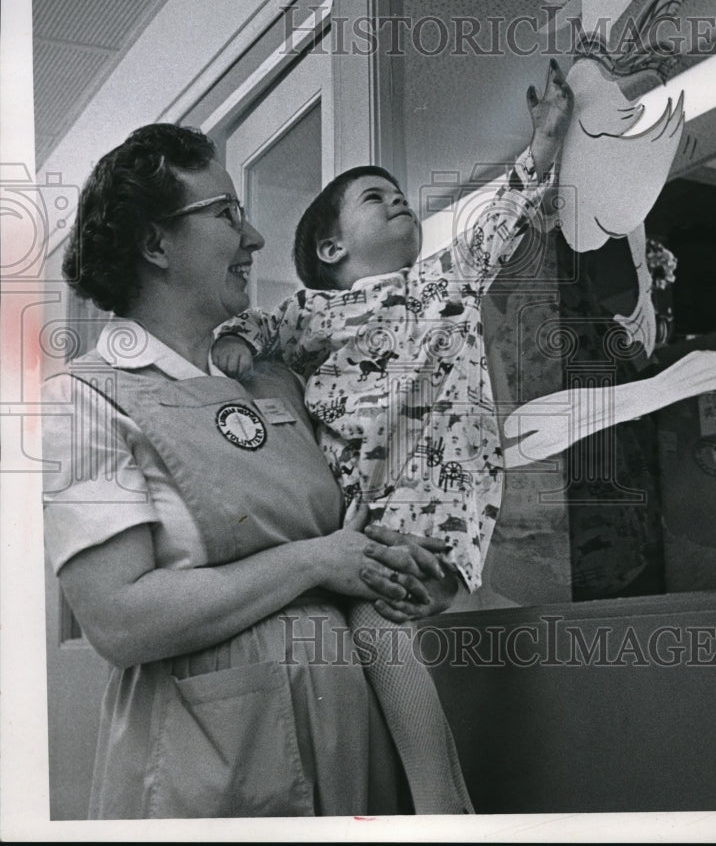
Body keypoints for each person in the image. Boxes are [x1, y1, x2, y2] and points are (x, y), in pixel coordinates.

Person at [42, 123, 457, 820]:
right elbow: (119, 620)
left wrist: (403, 566)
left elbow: (350, 537)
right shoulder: (88, 398)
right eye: (227, 215)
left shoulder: (277, 383)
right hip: (214, 777)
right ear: (155, 244)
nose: (256, 238)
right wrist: (311, 562)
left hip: (354, 748)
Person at [211, 60, 574, 811]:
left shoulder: (442, 282)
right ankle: (438, 805)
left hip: (440, 510)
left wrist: (541, 146)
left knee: (377, 621)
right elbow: (258, 326)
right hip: (365, 516)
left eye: (399, 195)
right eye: (375, 200)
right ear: (333, 251)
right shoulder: (315, 310)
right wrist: (236, 343)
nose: (398, 202)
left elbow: (499, 222)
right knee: (368, 625)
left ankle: (438, 806)